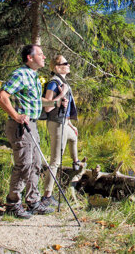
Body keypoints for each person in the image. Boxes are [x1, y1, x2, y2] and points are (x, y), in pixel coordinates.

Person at [0, 44, 61, 219]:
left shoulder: (33, 75)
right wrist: (16, 116)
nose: (44, 57)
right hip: (21, 126)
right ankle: (13, 204)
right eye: (40, 54)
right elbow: (2, 96)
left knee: (35, 164)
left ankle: (33, 201)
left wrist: (56, 102)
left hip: (32, 124)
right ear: (30, 58)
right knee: (24, 165)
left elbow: (35, 100)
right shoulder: (20, 74)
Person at [41, 54, 81, 207]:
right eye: (66, 63)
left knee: (74, 137)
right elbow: (48, 106)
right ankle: (47, 196)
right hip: (56, 124)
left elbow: (64, 107)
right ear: (57, 68)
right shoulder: (53, 83)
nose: (69, 65)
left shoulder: (63, 82)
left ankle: (76, 162)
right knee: (55, 161)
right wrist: (62, 94)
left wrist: (71, 125)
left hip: (64, 123)